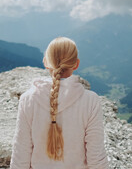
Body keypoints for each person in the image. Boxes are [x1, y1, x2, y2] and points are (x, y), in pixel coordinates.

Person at [10, 37, 108, 169]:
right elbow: (96, 157)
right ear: (76, 64)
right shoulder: (91, 101)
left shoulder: (28, 99)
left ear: (45, 62)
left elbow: (20, 152)